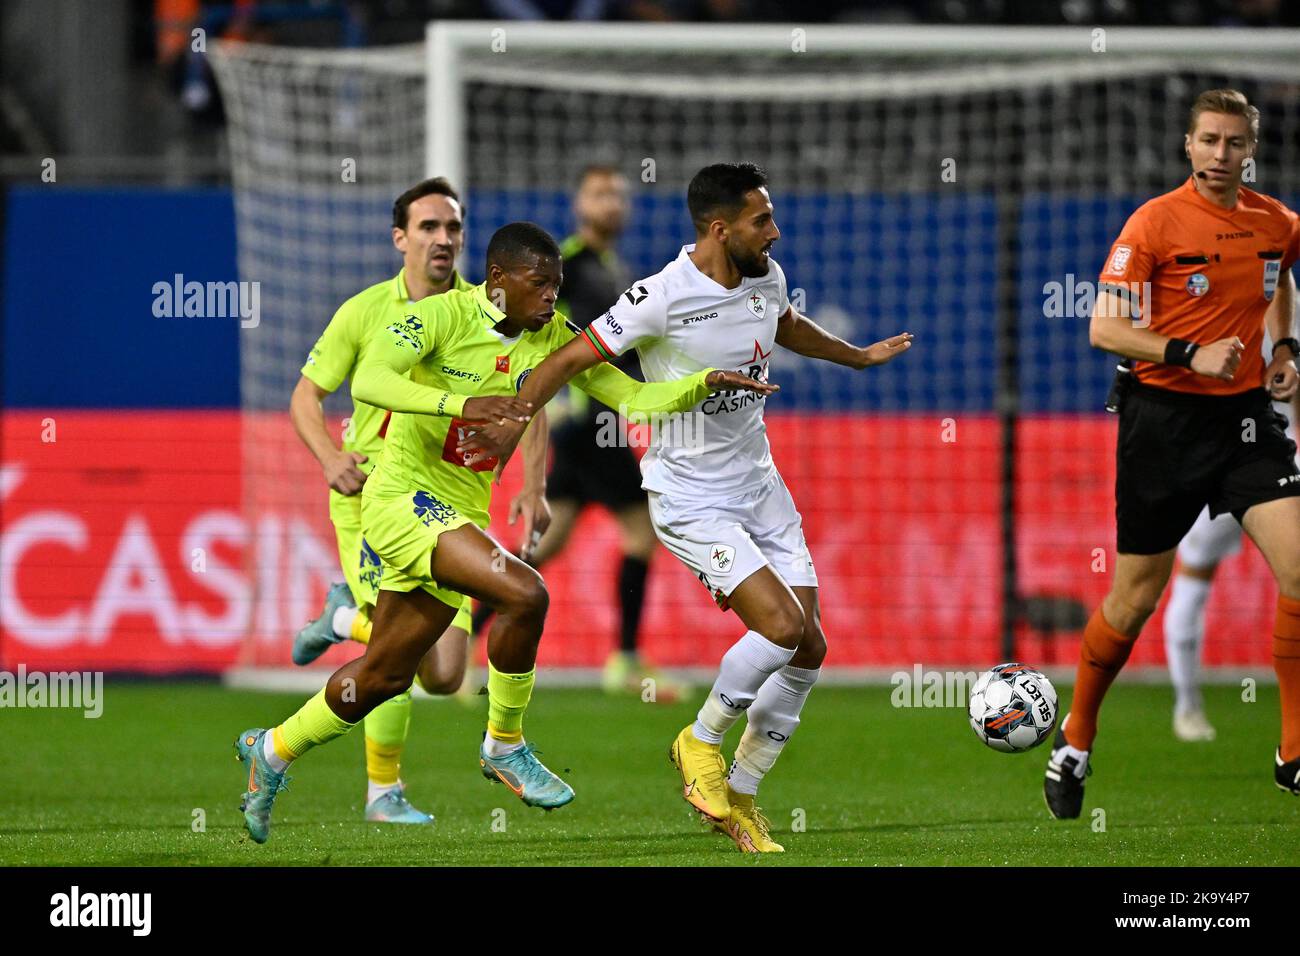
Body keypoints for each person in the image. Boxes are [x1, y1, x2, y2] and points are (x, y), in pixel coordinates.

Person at [235, 221, 772, 843]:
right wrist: (461, 406)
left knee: (385, 675)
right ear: (498, 280)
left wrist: (700, 385)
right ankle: (504, 745)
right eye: (539, 284)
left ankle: (270, 751)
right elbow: (370, 382)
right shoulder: (440, 318)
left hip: (459, 510)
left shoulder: (551, 336)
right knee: (525, 591)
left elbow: (630, 397)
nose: (551, 297)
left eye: (557, 286)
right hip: (401, 498)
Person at [459, 164, 914, 852]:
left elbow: (783, 322)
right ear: (719, 227)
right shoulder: (658, 296)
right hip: (690, 493)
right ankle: (697, 745)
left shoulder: (766, 273)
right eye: (762, 219)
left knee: (809, 647)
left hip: (760, 484)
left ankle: (740, 795)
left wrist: (854, 357)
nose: (775, 229)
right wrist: (514, 420)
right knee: (782, 626)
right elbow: (567, 360)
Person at [1044, 89, 1300, 820]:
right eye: (1210, 141)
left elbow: (1279, 281)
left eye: (1236, 142)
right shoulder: (1152, 222)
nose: (1223, 154)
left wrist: (1282, 350)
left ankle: (1292, 752)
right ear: (1188, 147)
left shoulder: (1277, 222)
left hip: (1246, 422)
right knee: (1133, 602)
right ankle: (1078, 736)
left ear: (1252, 148)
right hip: (1162, 422)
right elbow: (1104, 329)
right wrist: (1190, 351)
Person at [287, 177, 531, 824]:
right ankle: (382, 792)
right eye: (428, 227)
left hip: (445, 502)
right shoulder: (364, 311)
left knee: (444, 672)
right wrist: (332, 459)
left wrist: (530, 483)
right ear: (401, 238)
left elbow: (523, 394)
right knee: (394, 654)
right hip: (372, 500)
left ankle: (342, 621)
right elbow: (306, 397)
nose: (443, 239)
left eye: (452, 227)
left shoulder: (484, 314)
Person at [470, 164, 685, 699]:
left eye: (617, 193)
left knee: (546, 543)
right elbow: (540, 338)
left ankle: (454, 645)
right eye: (598, 193)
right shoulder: (565, 268)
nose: (610, 201)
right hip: (588, 422)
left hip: (587, 426)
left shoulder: (613, 268)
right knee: (641, 532)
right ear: (579, 205)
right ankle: (625, 661)